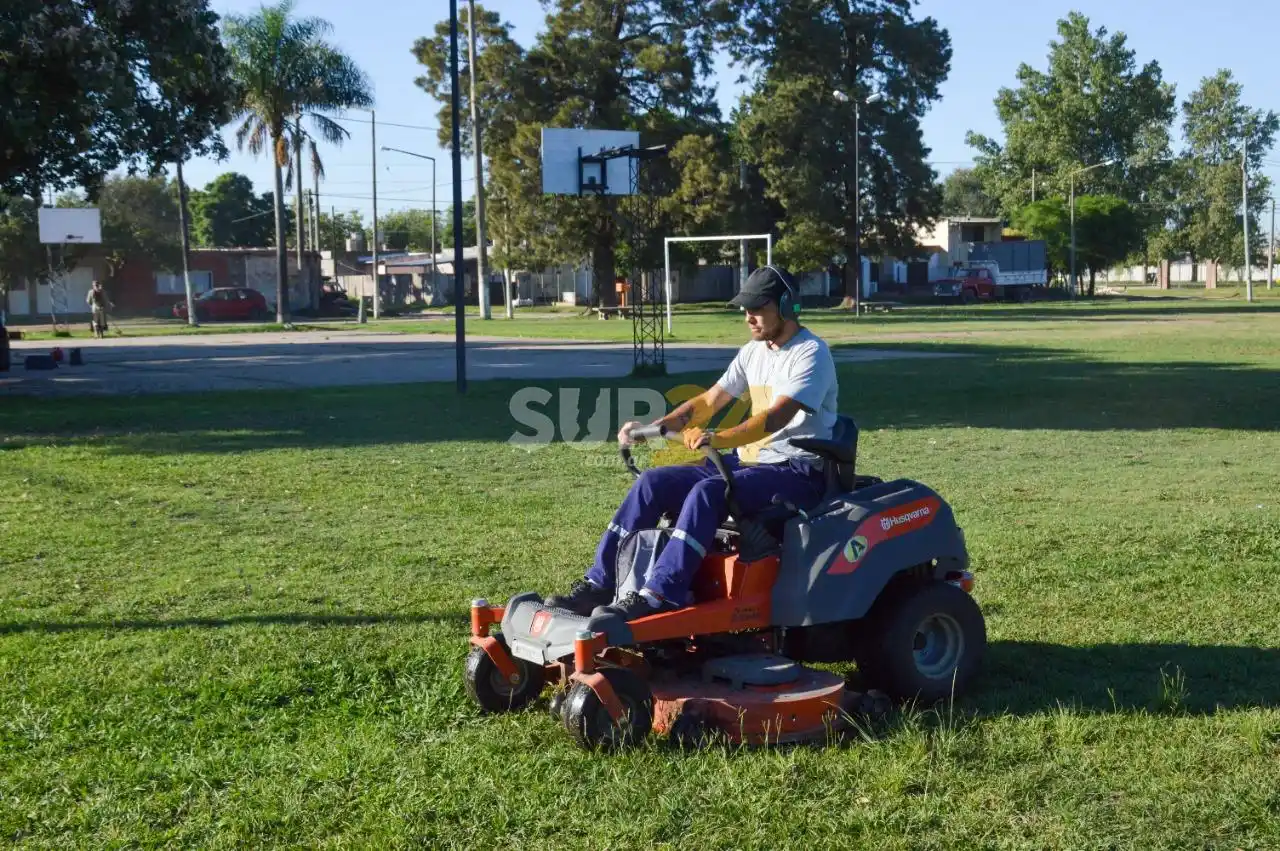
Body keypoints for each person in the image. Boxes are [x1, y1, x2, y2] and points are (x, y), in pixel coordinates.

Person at [546, 265, 839, 621]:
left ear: (787, 306)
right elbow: (709, 401)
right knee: (652, 483)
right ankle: (599, 584)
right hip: (748, 464)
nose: (748, 316)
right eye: (745, 308)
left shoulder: (811, 353)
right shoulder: (754, 351)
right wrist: (654, 428)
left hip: (797, 472)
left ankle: (659, 595)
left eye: (758, 308)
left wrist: (717, 438)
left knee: (708, 493)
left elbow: (775, 418)